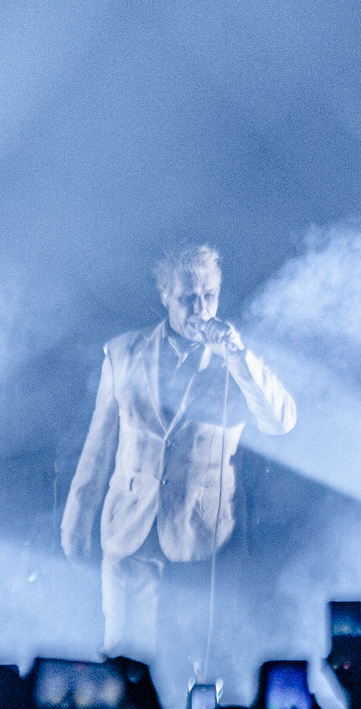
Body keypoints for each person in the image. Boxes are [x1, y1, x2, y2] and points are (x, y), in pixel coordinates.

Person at [62, 243, 296, 677]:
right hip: (128, 529)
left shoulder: (238, 362)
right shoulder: (123, 353)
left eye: (209, 296)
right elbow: (98, 448)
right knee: (123, 662)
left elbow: (280, 421)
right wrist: (76, 519)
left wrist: (238, 355)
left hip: (200, 537)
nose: (201, 308)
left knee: (194, 666)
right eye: (189, 297)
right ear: (165, 295)